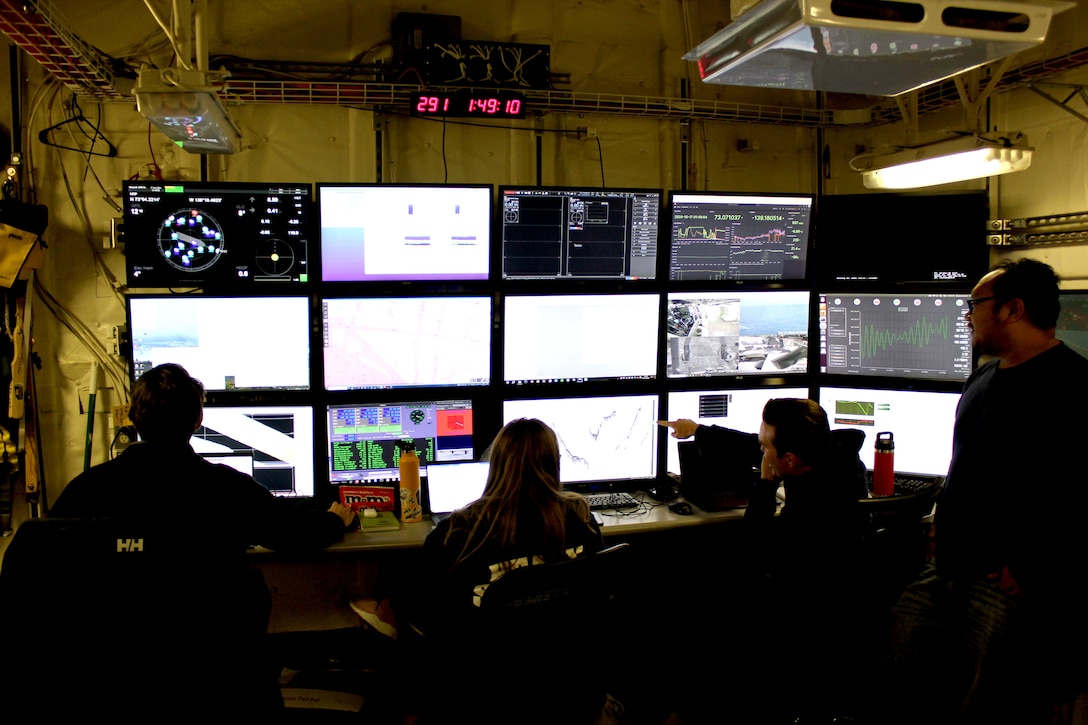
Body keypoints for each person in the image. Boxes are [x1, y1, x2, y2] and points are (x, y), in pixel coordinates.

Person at [47, 362, 356, 715]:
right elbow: (289, 533)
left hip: (115, 677)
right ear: (197, 421)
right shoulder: (225, 487)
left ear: (133, 418)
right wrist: (334, 520)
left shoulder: (86, 489)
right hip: (215, 676)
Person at [885, 258, 1088, 724]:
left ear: (1012, 309)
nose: (966, 316)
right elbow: (967, 465)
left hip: (1004, 580)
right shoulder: (984, 376)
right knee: (901, 670)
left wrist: (1031, 565)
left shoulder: (1074, 387)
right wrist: (940, 526)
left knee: (987, 700)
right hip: (950, 563)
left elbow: (1077, 495)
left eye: (973, 305)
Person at [660, 399, 869, 723]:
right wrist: (699, 431)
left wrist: (766, 485)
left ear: (788, 459)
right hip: (836, 626)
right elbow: (755, 446)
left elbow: (751, 553)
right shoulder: (838, 460)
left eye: (766, 448)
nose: (761, 454)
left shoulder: (807, 518)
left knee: (695, 601)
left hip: (791, 632)